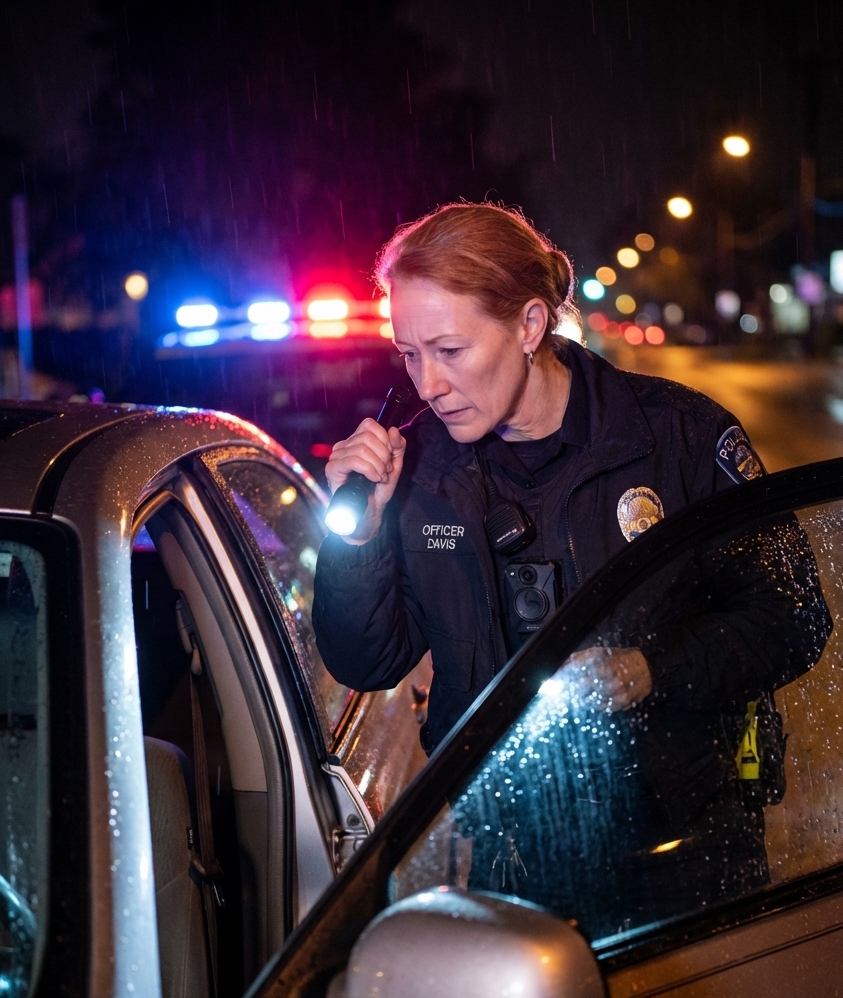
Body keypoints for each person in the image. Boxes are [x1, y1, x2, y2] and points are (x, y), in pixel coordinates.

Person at [313, 203, 831, 932]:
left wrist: (648, 670)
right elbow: (365, 661)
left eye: (449, 350)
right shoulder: (417, 473)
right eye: (407, 353)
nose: (426, 383)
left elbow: (792, 615)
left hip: (686, 855)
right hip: (511, 858)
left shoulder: (676, 437)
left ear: (529, 326)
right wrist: (358, 540)